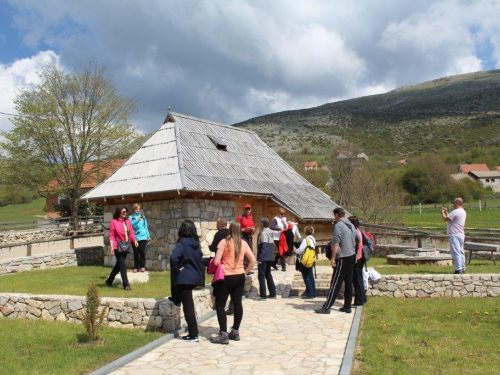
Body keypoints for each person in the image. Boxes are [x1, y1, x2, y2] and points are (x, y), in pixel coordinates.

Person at [210, 222, 256, 344]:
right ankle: (235, 331)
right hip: (239, 276)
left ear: (229, 230)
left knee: (220, 305)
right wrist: (245, 272)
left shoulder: (223, 242)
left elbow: (216, 262)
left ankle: (223, 333)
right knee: (237, 304)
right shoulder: (244, 243)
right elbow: (253, 260)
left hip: (226, 276)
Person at [315, 207, 359, 314]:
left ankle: (327, 307)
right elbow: (358, 239)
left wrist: (333, 258)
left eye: (334, 215)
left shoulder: (339, 225)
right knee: (348, 283)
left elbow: (336, 243)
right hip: (352, 255)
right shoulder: (351, 225)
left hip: (343, 256)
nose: (334, 218)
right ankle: (347, 306)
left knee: (336, 282)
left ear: (337, 215)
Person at [169, 220, 205, 342]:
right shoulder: (196, 243)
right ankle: (175, 299)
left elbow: (173, 258)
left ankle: (193, 334)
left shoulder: (182, 243)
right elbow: (200, 256)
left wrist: (177, 269)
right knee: (189, 303)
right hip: (195, 277)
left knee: (188, 306)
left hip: (185, 278)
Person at [106, 206, 138, 291]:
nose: (125, 213)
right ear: (119, 213)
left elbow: (131, 233)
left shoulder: (128, 221)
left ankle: (109, 281)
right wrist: (112, 246)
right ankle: (126, 285)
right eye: (123, 212)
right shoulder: (114, 222)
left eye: (126, 212)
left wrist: (134, 240)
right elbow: (111, 235)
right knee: (123, 265)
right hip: (117, 246)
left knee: (118, 265)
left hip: (126, 246)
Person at [441, 198, 467, 274]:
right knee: (461, 251)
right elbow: (451, 218)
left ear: (458, 203)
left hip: (454, 234)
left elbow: (446, 219)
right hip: (461, 234)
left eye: (454, 202)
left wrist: (442, 212)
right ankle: (462, 267)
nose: (453, 204)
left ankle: (458, 269)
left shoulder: (456, 211)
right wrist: (446, 212)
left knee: (456, 252)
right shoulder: (463, 211)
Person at [348, 216, 367, 306]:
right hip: (358, 258)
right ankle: (362, 298)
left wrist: (357, 257)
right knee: (358, 279)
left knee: (357, 279)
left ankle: (359, 300)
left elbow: (359, 245)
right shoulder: (357, 231)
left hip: (358, 259)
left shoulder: (356, 232)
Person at [256, 217, 277, 300]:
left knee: (261, 276)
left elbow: (264, 246)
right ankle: (273, 293)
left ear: (262, 224)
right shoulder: (271, 233)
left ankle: (263, 295)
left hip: (264, 258)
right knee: (268, 275)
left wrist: (260, 259)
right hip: (270, 257)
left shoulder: (263, 233)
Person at [295, 225, 316, 299]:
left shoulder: (306, 240)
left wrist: (295, 250)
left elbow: (301, 250)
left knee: (306, 277)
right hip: (311, 259)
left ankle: (309, 293)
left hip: (305, 260)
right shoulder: (313, 239)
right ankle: (313, 292)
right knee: (310, 276)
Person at [129, 203, 151, 273]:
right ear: (134, 209)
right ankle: (136, 267)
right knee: (136, 252)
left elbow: (145, 227)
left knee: (142, 251)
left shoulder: (143, 217)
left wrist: (148, 236)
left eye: (139, 209)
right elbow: (130, 225)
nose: (137, 210)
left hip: (143, 237)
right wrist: (137, 220)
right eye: (136, 209)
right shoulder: (131, 217)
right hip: (135, 237)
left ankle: (142, 266)